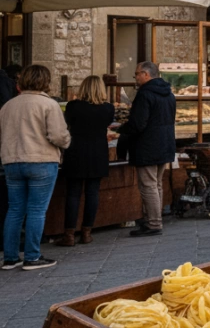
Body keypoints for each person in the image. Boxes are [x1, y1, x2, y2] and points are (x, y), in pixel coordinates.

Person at [0, 65, 70, 270]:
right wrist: (66, 142)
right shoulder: (48, 105)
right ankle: (32, 256)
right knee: (37, 210)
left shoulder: (8, 106)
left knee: (14, 210)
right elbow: (58, 135)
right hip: (41, 159)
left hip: (12, 160)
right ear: (45, 81)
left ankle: (11, 257)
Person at [119, 61, 176, 237]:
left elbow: (138, 123)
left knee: (149, 185)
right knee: (156, 184)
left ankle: (153, 223)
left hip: (147, 146)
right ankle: (154, 219)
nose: (135, 77)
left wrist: (121, 129)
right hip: (164, 143)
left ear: (146, 74)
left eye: (137, 74)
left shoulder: (145, 94)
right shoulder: (168, 93)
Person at [59, 75, 115, 247]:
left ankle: (69, 234)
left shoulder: (73, 106)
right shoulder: (107, 108)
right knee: (92, 193)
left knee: (73, 193)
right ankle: (86, 232)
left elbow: (67, 123)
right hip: (98, 152)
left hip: (76, 151)